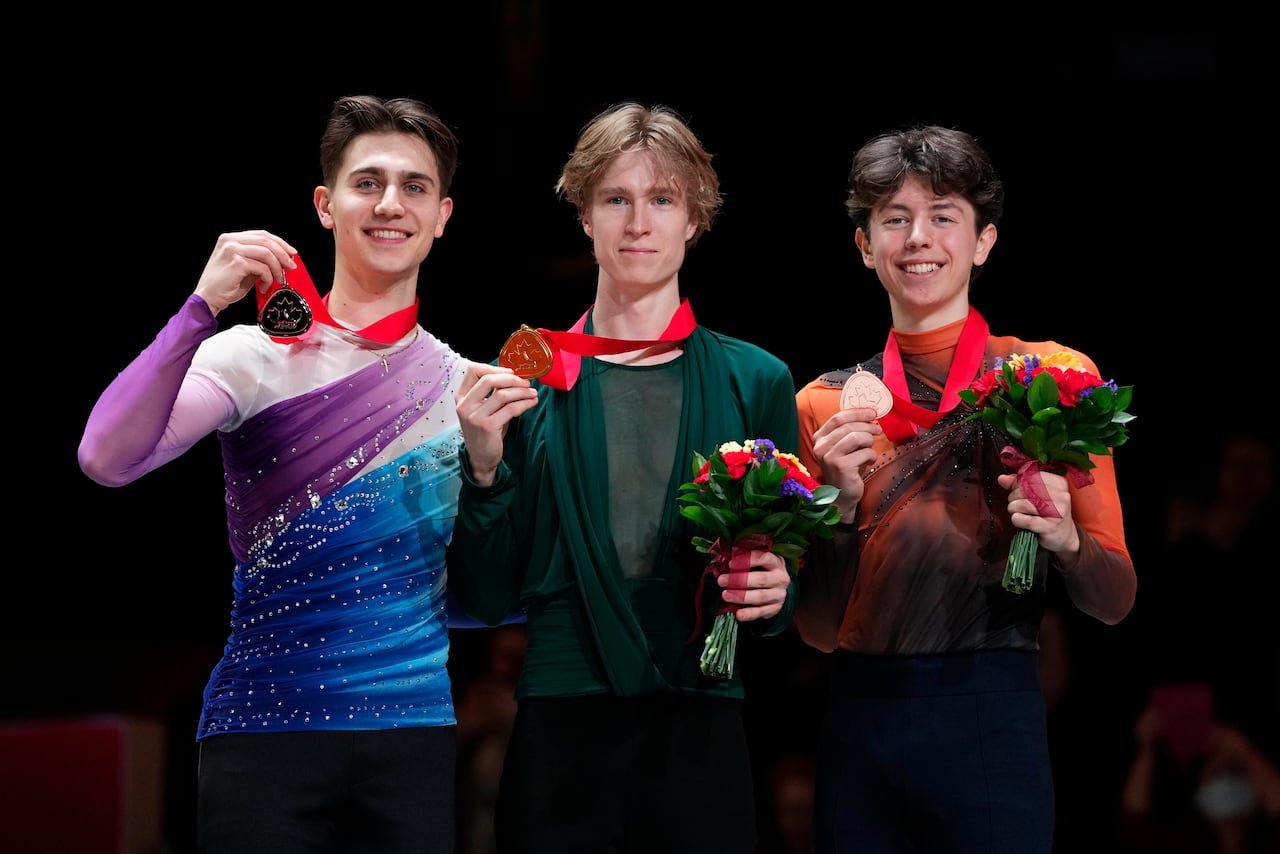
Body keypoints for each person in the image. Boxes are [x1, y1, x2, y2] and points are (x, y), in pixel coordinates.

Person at [78, 94, 467, 854]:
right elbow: (105, 458)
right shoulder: (248, 357)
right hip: (262, 736)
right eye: (367, 183)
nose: (390, 204)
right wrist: (201, 307)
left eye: (414, 186)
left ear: (442, 214)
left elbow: (493, 582)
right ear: (325, 205)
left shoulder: (465, 388)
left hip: (412, 740)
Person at [446, 101, 800, 853]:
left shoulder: (757, 379)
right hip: (561, 726)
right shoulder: (521, 381)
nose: (639, 222)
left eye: (662, 199)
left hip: (702, 720)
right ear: (584, 216)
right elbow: (486, 596)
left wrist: (777, 590)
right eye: (616, 199)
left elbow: (781, 593)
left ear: (694, 219)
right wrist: (481, 467)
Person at [791, 124, 1137, 853]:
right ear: (864, 246)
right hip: (861, 724)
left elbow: (1113, 600)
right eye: (894, 218)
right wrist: (840, 511)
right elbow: (819, 632)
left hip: (993, 714)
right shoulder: (825, 405)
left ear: (983, 241)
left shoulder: (1052, 379)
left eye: (943, 216)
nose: (918, 238)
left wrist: (1068, 541)